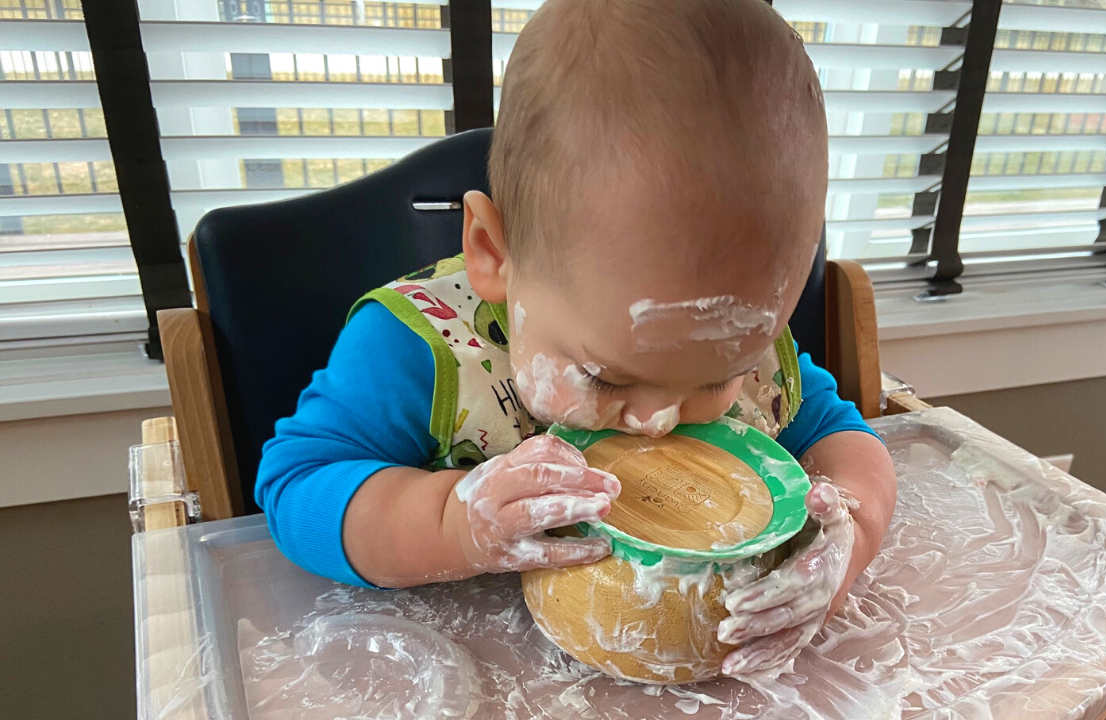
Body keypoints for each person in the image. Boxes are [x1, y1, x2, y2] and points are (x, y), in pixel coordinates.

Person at [256, 0, 897, 678]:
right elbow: (298, 487)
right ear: (493, 253)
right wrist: (450, 524)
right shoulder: (416, 351)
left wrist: (846, 542)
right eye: (608, 378)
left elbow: (847, 443)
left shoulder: (737, 335)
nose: (658, 422)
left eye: (715, 378)